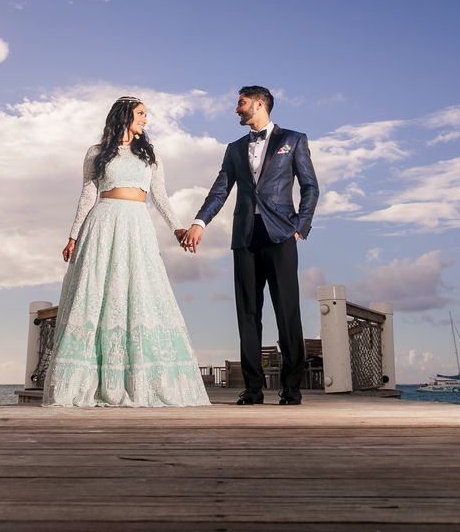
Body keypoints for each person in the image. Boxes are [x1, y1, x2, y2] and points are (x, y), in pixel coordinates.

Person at [44, 96, 210, 407]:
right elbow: (87, 193)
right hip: (103, 223)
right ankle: (90, 383)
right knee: (99, 296)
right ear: (124, 116)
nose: (146, 120)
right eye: (141, 114)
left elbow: (159, 195)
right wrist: (73, 236)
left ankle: (141, 380)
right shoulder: (96, 153)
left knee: (139, 293)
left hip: (137, 226)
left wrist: (177, 229)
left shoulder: (150, 154)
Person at [181, 86, 319, 405]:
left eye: (241, 103)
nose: (236, 109)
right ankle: (253, 389)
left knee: (287, 313)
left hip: (281, 235)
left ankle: (292, 388)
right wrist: (199, 222)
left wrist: (300, 227)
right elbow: (220, 190)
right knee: (247, 314)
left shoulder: (293, 140)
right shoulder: (234, 148)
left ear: (259, 104)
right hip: (244, 236)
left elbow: (310, 187)